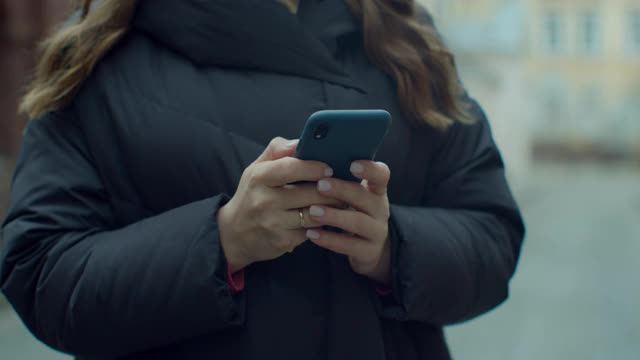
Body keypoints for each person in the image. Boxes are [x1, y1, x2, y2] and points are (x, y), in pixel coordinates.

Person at [0, 0, 525, 359]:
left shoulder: (405, 43)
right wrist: (222, 241)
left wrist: (392, 249)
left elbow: (493, 235)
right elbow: (41, 271)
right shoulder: (99, 59)